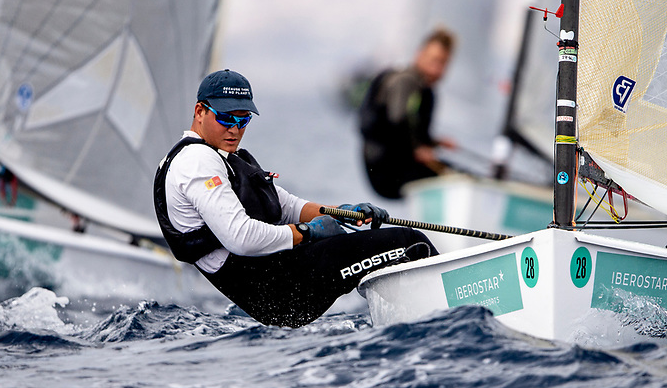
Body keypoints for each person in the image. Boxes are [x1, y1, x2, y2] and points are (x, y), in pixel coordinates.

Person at [153, 69, 437, 328]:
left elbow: (287, 205)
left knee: (390, 247)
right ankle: (443, 321)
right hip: (281, 291)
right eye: (226, 118)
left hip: (283, 277)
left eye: (244, 119)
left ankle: (410, 323)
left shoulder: (221, 156)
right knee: (411, 243)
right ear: (200, 111)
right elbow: (240, 237)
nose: (235, 129)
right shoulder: (197, 162)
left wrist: (345, 213)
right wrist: (306, 232)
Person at [359, 28, 458, 199]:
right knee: (454, 179)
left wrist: (435, 142)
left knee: (455, 172)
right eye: (434, 60)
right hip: (385, 170)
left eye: (443, 63)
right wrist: (418, 149)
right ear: (420, 55)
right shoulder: (406, 81)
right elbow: (398, 119)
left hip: (397, 164)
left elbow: (410, 129)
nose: (437, 69)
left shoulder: (426, 92)